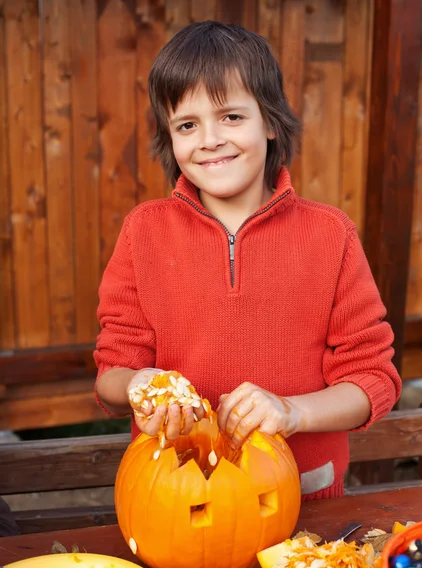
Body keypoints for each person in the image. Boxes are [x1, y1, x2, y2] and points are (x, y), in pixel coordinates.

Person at [94, 21, 401, 500]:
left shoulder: (330, 235)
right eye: (187, 125)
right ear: (170, 138)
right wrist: (137, 384)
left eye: (231, 117)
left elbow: (373, 379)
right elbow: (112, 372)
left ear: (271, 121)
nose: (210, 139)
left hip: (303, 502)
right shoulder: (144, 232)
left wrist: (292, 412)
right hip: (177, 497)